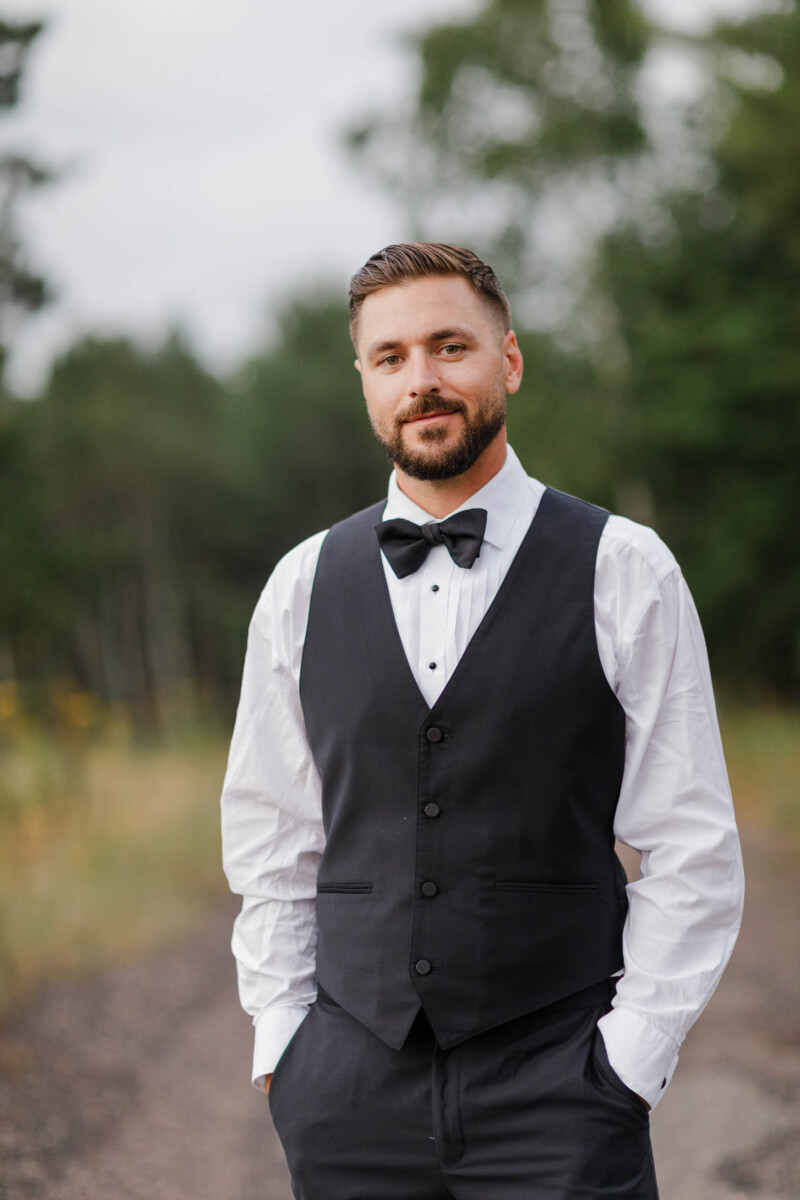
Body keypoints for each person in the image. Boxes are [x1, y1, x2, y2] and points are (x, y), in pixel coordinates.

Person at [220, 242, 744, 1199]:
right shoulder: (299, 586)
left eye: (449, 346)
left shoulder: (625, 568)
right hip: (347, 1096)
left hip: (563, 1093)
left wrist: (628, 1062)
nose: (421, 380)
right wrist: (284, 1044)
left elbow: (692, 843)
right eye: (391, 357)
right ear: (365, 381)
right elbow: (274, 839)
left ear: (509, 360)